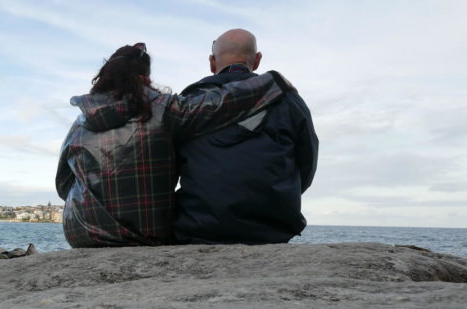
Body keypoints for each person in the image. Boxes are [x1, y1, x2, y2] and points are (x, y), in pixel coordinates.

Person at [55, 42, 293, 248]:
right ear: (146, 78)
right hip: (142, 235)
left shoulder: (81, 121)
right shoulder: (163, 109)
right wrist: (274, 82)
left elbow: (63, 184)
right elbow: (220, 104)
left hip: (80, 231)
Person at [172, 29, 319, 244]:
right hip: (272, 230)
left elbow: (169, 167)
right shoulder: (289, 100)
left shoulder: (190, 102)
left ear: (212, 63)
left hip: (198, 227)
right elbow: (307, 162)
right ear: (257, 60)